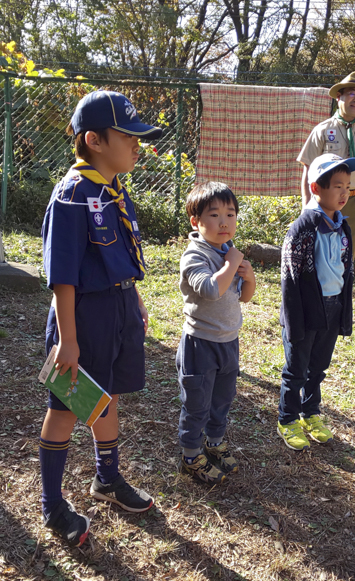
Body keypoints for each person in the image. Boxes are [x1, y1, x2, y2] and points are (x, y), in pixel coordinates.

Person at [40, 90, 163, 547]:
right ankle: (52, 504)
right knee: (66, 408)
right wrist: (67, 339)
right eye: (128, 135)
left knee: (107, 396)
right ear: (93, 139)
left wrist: (135, 302)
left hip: (119, 308)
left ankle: (107, 479)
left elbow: (120, 254)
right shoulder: (72, 194)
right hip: (82, 317)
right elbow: (63, 276)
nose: (137, 144)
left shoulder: (113, 188)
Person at [277, 153, 355, 451]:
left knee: (319, 367)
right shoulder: (302, 229)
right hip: (304, 310)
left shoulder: (343, 226)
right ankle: (287, 418)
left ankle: (311, 413)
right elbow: (290, 277)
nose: (344, 193)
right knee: (296, 368)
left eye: (347, 186)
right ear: (316, 188)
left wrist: (342, 310)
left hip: (332, 306)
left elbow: (344, 270)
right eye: (337, 185)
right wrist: (293, 319)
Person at [177, 182, 256, 484]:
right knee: (197, 403)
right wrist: (232, 263)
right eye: (214, 214)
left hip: (228, 342)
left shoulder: (226, 252)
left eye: (230, 214)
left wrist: (248, 278)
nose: (224, 221)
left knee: (222, 398)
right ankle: (190, 454)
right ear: (196, 222)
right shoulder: (194, 256)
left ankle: (214, 442)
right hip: (200, 345)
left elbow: (243, 297)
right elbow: (210, 290)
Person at [298, 72, 355, 257]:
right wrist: (307, 206)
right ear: (339, 97)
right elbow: (308, 168)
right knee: (319, 252)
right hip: (324, 200)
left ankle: (341, 286)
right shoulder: (323, 130)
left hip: (354, 201)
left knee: (347, 255)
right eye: (352, 94)